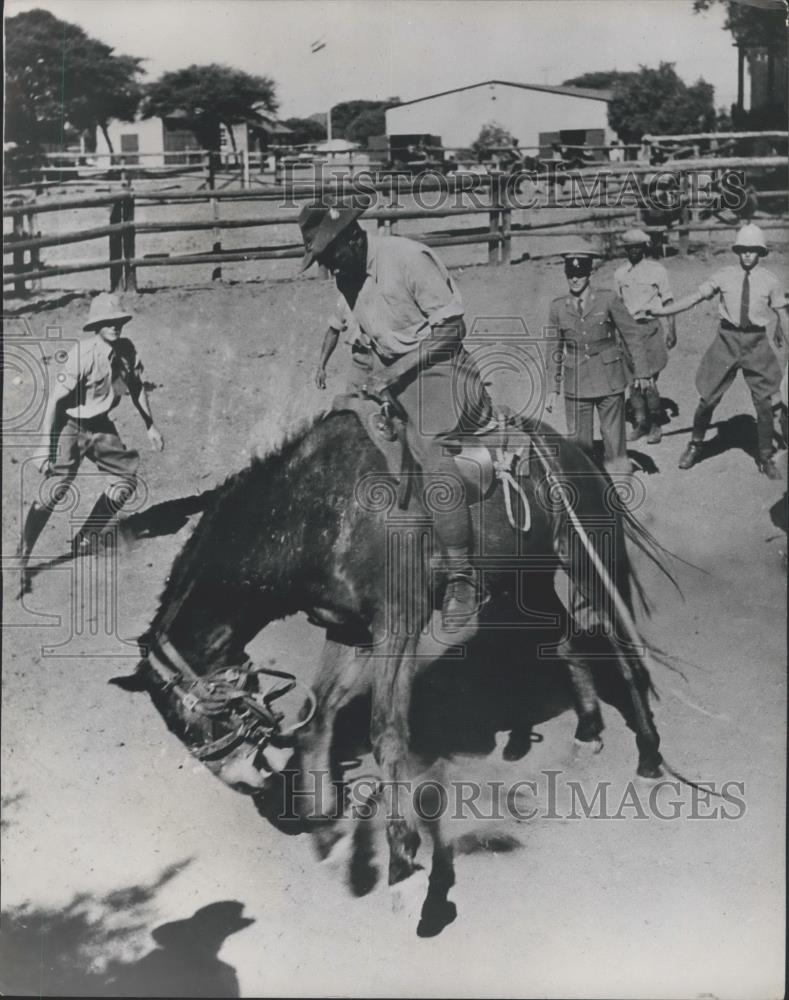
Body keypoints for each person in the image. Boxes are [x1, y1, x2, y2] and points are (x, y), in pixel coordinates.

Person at [299, 200, 489, 631]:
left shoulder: (407, 258)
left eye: (330, 257)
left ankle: (461, 577)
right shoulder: (346, 273)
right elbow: (363, 344)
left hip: (440, 369)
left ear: (352, 238)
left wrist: (396, 372)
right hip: (384, 371)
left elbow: (452, 329)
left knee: (430, 455)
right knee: (338, 443)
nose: (328, 268)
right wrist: (347, 402)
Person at [17, 293, 164, 595]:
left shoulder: (126, 351)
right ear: (96, 326)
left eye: (118, 321)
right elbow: (54, 400)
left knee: (126, 480)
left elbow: (136, 388)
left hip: (100, 427)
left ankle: (87, 534)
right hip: (70, 425)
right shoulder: (83, 354)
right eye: (107, 322)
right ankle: (23, 555)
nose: (114, 326)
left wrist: (150, 425)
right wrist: (45, 445)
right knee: (55, 490)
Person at [651, 223, 788, 479]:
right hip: (726, 341)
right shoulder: (725, 275)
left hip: (756, 343)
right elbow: (694, 298)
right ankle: (695, 444)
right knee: (708, 398)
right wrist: (662, 311)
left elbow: (782, 313)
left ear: (761, 252)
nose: (748, 255)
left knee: (765, 404)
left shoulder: (770, 281)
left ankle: (766, 455)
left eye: (753, 250)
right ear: (737, 251)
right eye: (743, 250)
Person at [545, 244, 648, 474]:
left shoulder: (607, 299)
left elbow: (632, 334)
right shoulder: (558, 307)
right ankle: (588, 486)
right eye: (570, 275)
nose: (575, 280)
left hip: (608, 376)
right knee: (580, 443)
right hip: (576, 380)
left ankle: (619, 479)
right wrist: (553, 387)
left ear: (589, 273)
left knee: (614, 439)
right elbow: (554, 348)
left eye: (580, 274)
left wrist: (641, 371)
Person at [614, 228, 677, 443]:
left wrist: (672, 329)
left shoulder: (657, 270)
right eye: (629, 247)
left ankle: (656, 423)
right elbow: (617, 306)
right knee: (633, 380)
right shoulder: (620, 274)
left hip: (650, 327)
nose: (633, 251)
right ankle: (641, 422)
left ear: (644, 248)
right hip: (628, 331)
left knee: (649, 379)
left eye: (637, 247)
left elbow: (668, 301)